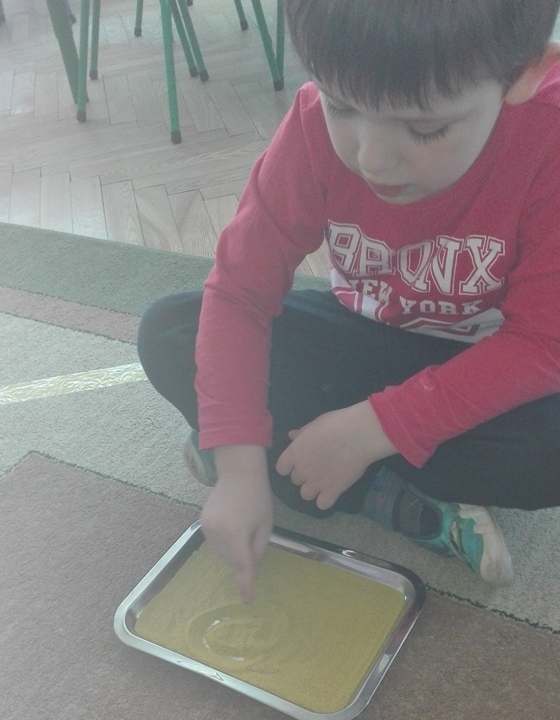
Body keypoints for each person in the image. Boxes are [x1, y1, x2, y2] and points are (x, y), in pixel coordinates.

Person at [138, 0, 560, 602]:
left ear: (525, 73)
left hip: (482, 357)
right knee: (169, 330)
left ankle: (311, 458)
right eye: (341, 105)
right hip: (360, 333)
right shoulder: (311, 126)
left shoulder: (550, 137)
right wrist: (238, 468)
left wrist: (376, 428)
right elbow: (238, 293)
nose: (371, 159)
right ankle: (384, 494)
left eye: (424, 129)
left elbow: (542, 344)